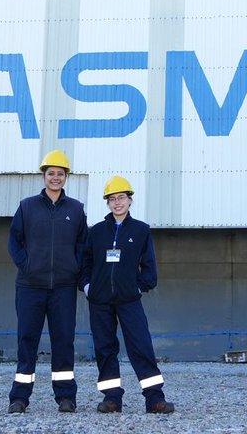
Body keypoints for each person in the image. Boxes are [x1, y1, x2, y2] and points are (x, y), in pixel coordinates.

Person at [80, 176, 175, 414]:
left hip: (129, 299)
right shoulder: (97, 231)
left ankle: (154, 398)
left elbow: (149, 266)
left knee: (141, 345)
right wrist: (88, 287)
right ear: (108, 203)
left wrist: (138, 287)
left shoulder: (141, 230)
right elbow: (85, 263)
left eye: (121, 197)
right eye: (112, 199)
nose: (117, 202)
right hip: (100, 301)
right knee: (104, 348)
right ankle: (111, 398)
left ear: (130, 200)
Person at [6, 149, 88, 414]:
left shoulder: (76, 209)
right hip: (30, 287)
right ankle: (19, 398)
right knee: (27, 340)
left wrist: (74, 268)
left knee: (63, 341)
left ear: (66, 177)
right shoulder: (27, 206)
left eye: (60, 174)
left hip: (63, 288)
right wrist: (27, 266)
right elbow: (14, 241)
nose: (55, 177)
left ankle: (66, 397)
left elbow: (82, 245)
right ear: (44, 176)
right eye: (51, 173)